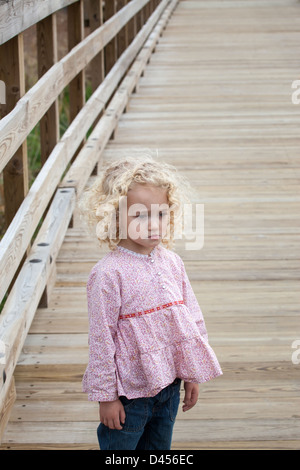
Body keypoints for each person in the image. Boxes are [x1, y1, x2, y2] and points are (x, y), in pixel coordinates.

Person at [79, 153, 222, 450]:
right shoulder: (108, 274)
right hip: (129, 396)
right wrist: (107, 397)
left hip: (169, 387)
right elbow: (102, 339)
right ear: (114, 216)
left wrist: (192, 372)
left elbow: (191, 317)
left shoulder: (172, 262)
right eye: (139, 215)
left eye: (160, 213)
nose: (153, 223)